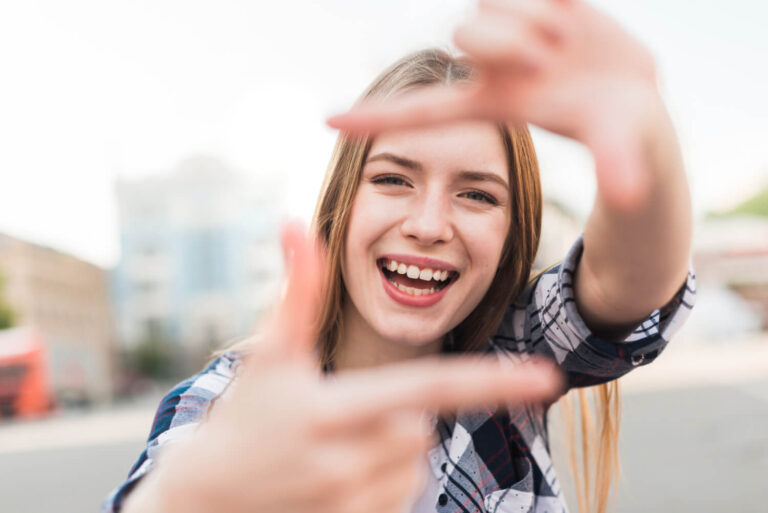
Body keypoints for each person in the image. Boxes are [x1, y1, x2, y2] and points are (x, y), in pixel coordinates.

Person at [102, 1, 696, 512]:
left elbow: (630, 283)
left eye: (477, 194)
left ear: (512, 235)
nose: (430, 225)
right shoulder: (229, 404)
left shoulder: (509, 359)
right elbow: (170, 482)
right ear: (342, 201)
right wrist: (188, 500)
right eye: (393, 180)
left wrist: (648, 137)